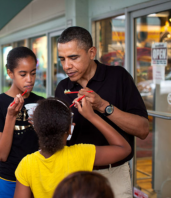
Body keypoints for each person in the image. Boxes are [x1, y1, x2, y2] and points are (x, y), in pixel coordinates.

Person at [54, 26, 149, 198]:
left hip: (114, 173)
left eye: (73, 57)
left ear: (91, 53)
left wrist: (104, 106)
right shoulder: (63, 88)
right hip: (74, 174)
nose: (67, 66)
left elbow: (142, 130)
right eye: (62, 59)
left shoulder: (118, 77)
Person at [14, 98, 131, 198]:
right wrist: (92, 116)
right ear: (70, 129)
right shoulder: (82, 153)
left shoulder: (26, 164)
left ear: (36, 128)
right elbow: (123, 148)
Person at [0, 46, 44, 198]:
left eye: (33, 73)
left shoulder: (41, 102)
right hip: (11, 179)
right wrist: (10, 117)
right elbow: (2, 155)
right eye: (22, 74)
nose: (29, 80)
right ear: (10, 72)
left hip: (39, 177)